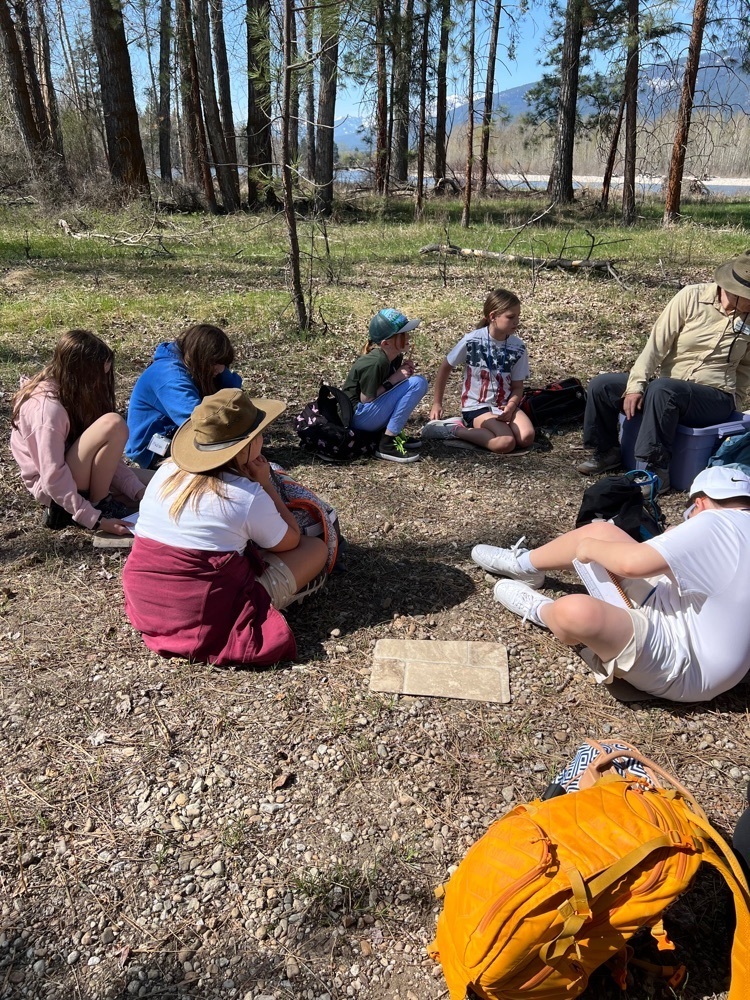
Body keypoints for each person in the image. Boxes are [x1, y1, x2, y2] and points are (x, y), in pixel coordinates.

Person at [472, 465, 750, 702]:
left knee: (577, 609)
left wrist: (589, 548)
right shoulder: (738, 526)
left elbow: (632, 564)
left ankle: (541, 611)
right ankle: (525, 565)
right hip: (694, 628)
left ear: (699, 502)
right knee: (604, 531)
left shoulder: (717, 521)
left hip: (685, 665)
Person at [122, 388, 328, 667]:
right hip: (201, 614)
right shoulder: (245, 495)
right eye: (260, 433)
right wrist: (266, 483)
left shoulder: (166, 472)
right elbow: (291, 540)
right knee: (315, 548)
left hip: (146, 603)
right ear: (246, 446)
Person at [577, 253, 750, 492]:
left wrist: (736, 402)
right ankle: (607, 451)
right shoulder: (692, 297)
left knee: (663, 389)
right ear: (733, 289)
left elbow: (746, 367)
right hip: (671, 388)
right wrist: (636, 386)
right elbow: (655, 346)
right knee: (603, 385)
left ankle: (655, 470)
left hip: (715, 396)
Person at [10, 329, 145, 536]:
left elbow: (105, 456)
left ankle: (105, 499)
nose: (102, 383)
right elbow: (53, 476)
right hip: (56, 493)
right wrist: (95, 519)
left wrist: (138, 491)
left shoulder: (71, 393)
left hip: (77, 474)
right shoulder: (47, 411)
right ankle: (101, 503)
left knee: (158, 485)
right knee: (113, 423)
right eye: (100, 376)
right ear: (83, 374)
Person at [421, 288, 535, 454]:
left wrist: (511, 406)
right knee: (506, 442)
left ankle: (486, 431)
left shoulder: (518, 347)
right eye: (511, 317)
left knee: (526, 438)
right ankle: (453, 429)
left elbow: (517, 386)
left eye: (518, 316)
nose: (516, 321)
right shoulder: (473, 340)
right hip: (477, 406)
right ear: (492, 316)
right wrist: (437, 403)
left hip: (504, 405)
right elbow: (446, 366)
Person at [126, 324, 242, 469]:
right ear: (202, 359)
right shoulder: (170, 377)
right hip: (152, 448)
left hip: (174, 430)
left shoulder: (191, 363)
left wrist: (224, 376)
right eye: (216, 363)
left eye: (224, 364)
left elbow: (235, 393)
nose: (221, 369)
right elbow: (199, 422)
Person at [341, 308, 428, 464]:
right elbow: (366, 399)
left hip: (368, 414)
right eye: (402, 334)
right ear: (386, 343)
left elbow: (392, 393)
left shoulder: (394, 356)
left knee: (413, 384)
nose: (408, 336)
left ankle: (389, 434)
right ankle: (386, 443)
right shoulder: (376, 362)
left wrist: (401, 377)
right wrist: (394, 379)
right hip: (358, 417)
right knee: (418, 383)